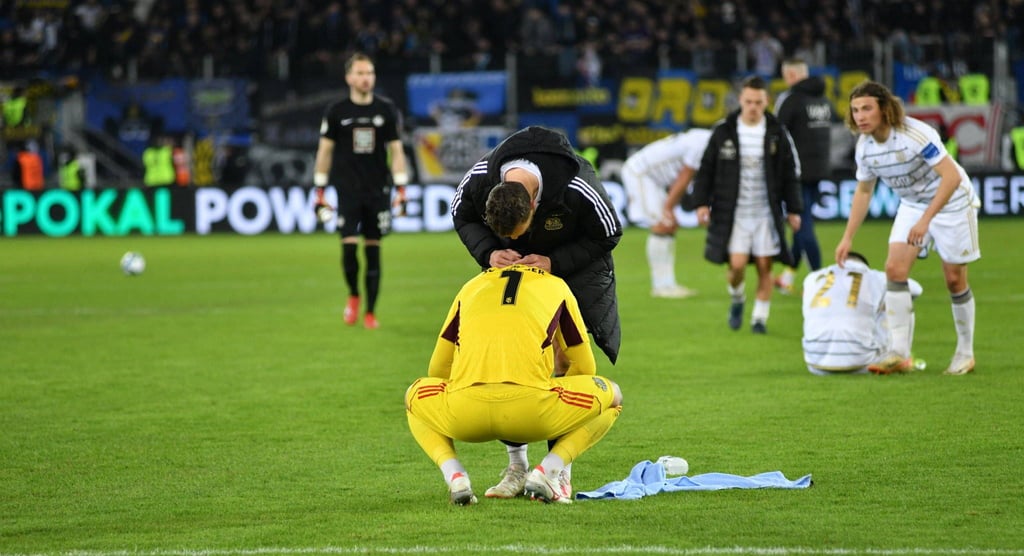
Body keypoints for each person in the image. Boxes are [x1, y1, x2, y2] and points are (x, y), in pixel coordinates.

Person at [451, 124, 622, 498]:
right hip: (511, 272)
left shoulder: (579, 185)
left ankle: (557, 473)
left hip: (571, 272)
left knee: (566, 363)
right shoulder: (482, 177)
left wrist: (553, 260)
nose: (512, 240)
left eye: (517, 231)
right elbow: (459, 213)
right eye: (505, 235)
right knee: (509, 358)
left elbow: (609, 232)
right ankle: (517, 468)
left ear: (534, 205)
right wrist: (489, 252)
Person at [404, 264, 623, 505]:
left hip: (465, 417)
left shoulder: (470, 287)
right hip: (533, 414)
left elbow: (437, 370)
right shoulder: (556, 284)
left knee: (412, 399)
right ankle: (550, 470)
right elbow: (584, 368)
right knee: (614, 397)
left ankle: (455, 475)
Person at [836, 80, 980, 376]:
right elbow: (864, 192)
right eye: (855, 110)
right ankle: (898, 352)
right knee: (895, 271)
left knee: (954, 280)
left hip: (952, 202)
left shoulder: (914, 134)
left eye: (866, 108)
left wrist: (926, 221)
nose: (860, 116)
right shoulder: (865, 148)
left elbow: (951, 176)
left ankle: (965, 353)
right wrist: (847, 237)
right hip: (913, 205)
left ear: (884, 109)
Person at [689, 76, 802, 334]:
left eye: (758, 102)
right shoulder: (723, 131)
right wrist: (701, 203)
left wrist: (794, 209)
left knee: (765, 265)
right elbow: (706, 169)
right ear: (741, 100)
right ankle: (738, 298)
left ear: (766, 102)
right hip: (734, 212)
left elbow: (789, 173)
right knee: (737, 266)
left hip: (765, 212)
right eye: (748, 101)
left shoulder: (777, 132)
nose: (753, 107)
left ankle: (759, 319)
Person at [313, 52, 409, 330]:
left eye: (370, 73)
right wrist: (319, 189)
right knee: (348, 249)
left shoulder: (386, 110)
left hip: (378, 191)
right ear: (349, 77)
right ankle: (354, 294)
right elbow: (325, 151)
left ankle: (370, 311)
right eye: (361, 73)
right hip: (347, 191)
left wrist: (401, 187)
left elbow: (397, 150)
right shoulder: (336, 112)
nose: (366, 78)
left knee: (374, 251)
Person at [622, 127, 712, 298]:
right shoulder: (701, 145)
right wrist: (669, 208)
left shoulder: (702, 137)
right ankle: (661, 287)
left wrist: (670, 208)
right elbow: (684, 178)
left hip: (654, 180)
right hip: (640, 174)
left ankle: (668, 285)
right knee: (662, 225)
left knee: (669, 226)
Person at [802, 252, 923, 375]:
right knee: (900, 299)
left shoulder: (812, 277)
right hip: (862, 362)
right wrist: (884, 304)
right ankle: (901, 357)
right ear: (863, 266)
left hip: (815, 364)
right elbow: (916, 289)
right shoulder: (873, 276)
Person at [772, 59, 836, 294]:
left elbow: (775, 134)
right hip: (819, 169)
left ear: (790, 74)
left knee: (801, 224)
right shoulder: (823, 99)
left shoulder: (791, 99)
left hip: (796, 172)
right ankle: (788, 276)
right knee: (803, 220)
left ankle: (821, 280)